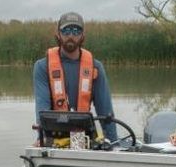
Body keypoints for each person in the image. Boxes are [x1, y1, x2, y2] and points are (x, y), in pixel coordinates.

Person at [32, 11, 118, 146]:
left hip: (84, 138)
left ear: (83, 35)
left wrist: (114, 144)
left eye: (76, 31)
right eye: (66, 31)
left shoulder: (96, 67)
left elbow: (105, 111)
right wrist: (41, 138)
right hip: (53, 139)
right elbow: (42, 109)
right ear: (58, 34)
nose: (71, 36)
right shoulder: (42, 67)